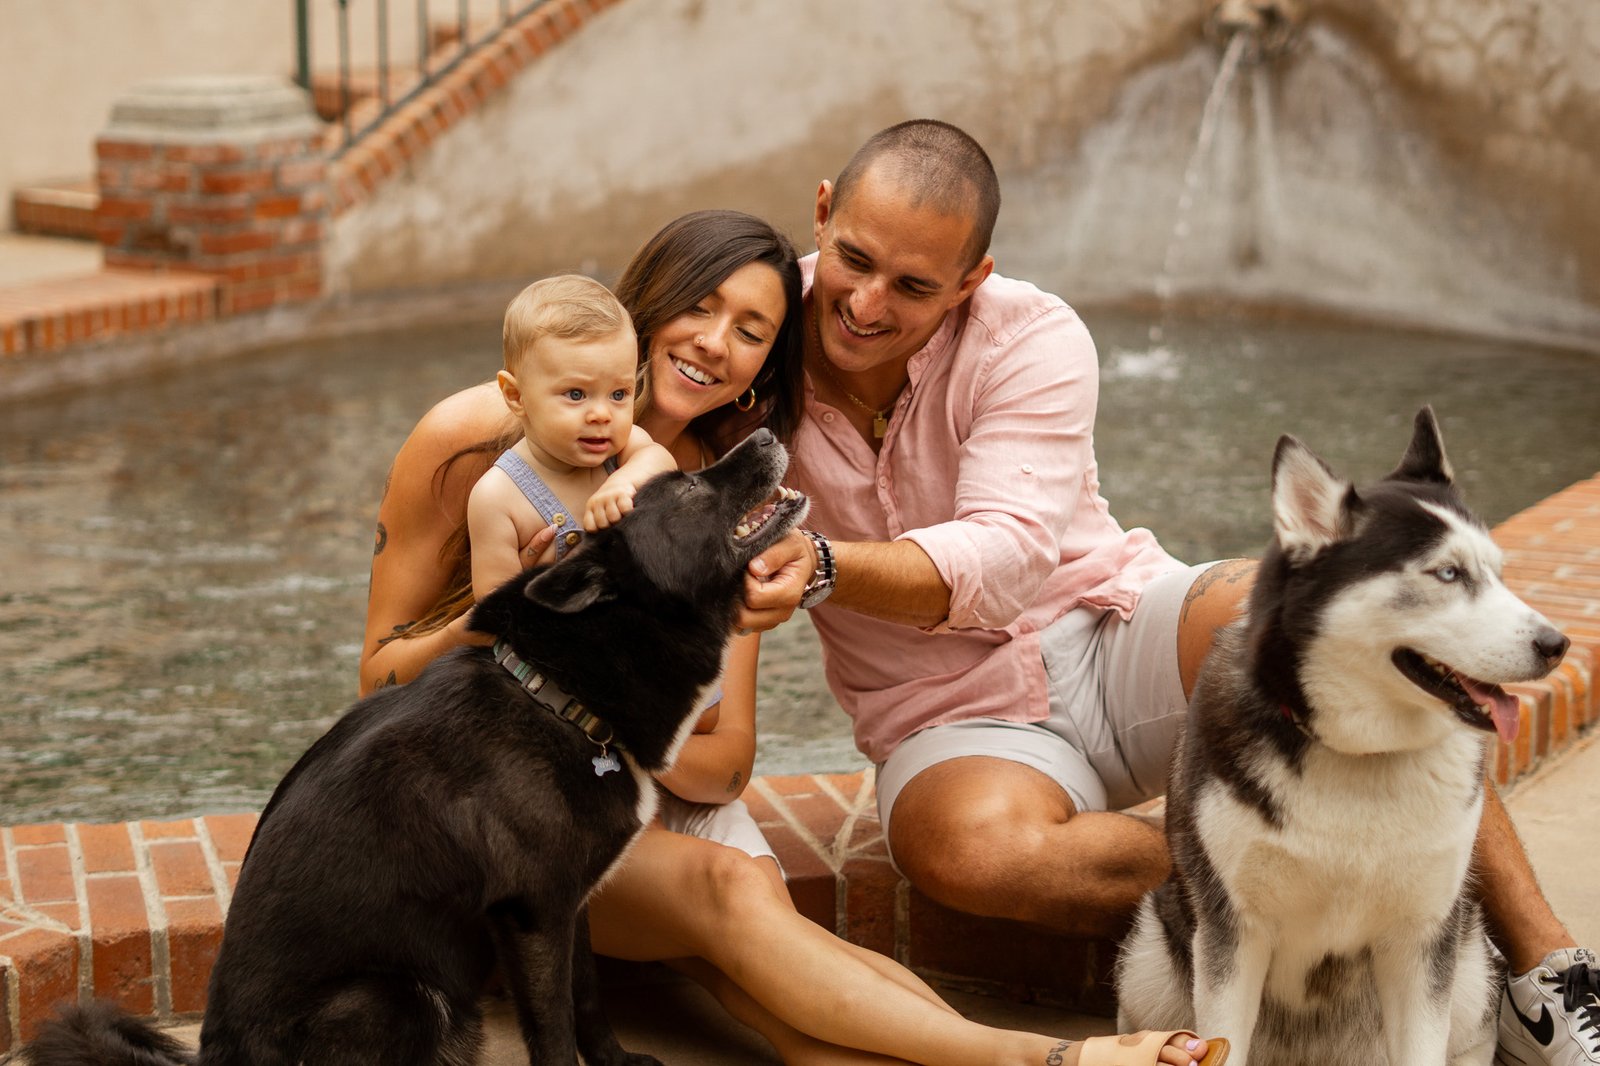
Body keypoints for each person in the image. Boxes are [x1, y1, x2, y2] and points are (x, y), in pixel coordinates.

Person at [739, 118, 1600, 1066]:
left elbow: (1007, 557)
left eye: (913, 287)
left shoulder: (1031, 333)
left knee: (1285, 619)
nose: (865, 303)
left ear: (972, 280)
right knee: (965, 854)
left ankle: (1542, 973)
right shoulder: (750, 344)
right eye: (853, 259)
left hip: (1112, 627)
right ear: (822, 212)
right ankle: (1327, 891)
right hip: (946, 711)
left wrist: (821, 564)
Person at [360, 208, 1222, 1066]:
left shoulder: (715, 496)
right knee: (728, 897)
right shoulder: (478, 448)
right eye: (696, 306)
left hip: (636, 781)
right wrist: (509, 626)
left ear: (755, 375)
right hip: (486, 800)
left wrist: (609, 711)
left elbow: (728, 759)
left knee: (767, 980)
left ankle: (1013, 1058)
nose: (711, 342)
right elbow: (377, 685)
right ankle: (1047, 1059)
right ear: (645, 307)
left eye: (750, 330)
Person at [466, 273, 676, 600]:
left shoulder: (622, 454)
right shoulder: (497, 497)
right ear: (516, 395)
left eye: (619, 394)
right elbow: (497, 610)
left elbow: (661, 460)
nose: (602, 414)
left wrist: (625, 482)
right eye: (576, 394)